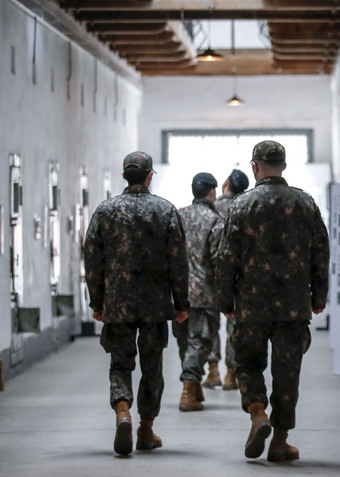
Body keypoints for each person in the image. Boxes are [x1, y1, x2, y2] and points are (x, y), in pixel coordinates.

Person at [216, 140, 329, 462]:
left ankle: (257, 413)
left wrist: (225, 300)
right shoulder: (304, 204)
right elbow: (321, 254)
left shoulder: (241, 205)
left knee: (248, 364)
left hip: (251, 305)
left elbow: (226, 257)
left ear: (255, 167)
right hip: (294, 305)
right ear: (284, 166)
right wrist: (319, 297)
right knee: (287, 372)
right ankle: (280, 441)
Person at [84, 151, 189, 455]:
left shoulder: (106, 211)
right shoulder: (165, 210)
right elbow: (178, 262)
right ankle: (146, 429)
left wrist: (98, 300)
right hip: (155, 304)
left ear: (123, 176)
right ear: (149, 175)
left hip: (118, 302)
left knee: (120, 362)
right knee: (152, 365)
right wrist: (181, 303)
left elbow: (92, 258)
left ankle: (122, 411)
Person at [173, 172, 224, 412]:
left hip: (178, 292)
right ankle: (188, 390)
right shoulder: (215, 221)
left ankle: (194, 389)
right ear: (212, 192)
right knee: (200, 342)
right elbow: (217, 261)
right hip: (205, 293)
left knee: (184, 341)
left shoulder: (177, 216)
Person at [205, 169, 249, 391]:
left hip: (211, 276)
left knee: (212, 323)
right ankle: (232, 374)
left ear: (225, 184)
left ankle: (213, 371)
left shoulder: (212, 208)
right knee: (234, 323)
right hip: (239, 276)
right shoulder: (246, 208)